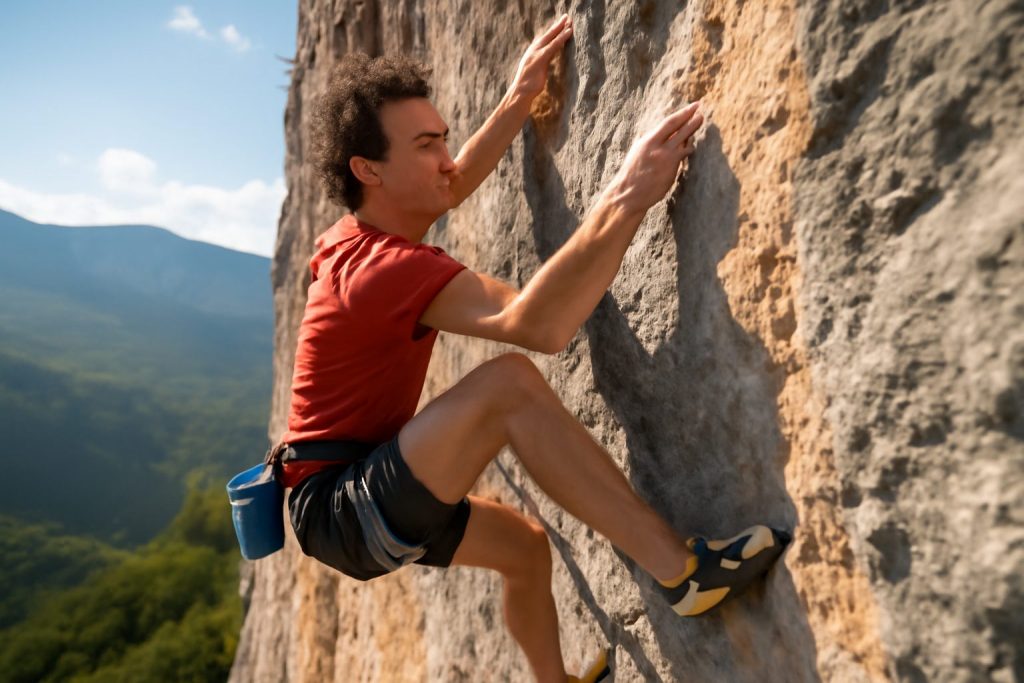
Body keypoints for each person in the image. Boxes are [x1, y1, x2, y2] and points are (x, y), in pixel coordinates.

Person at [271, 14, 790, 683]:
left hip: (351, 489)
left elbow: (451, 184)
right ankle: (683, 574)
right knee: (508, 385)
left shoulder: (358, 234)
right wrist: (629, 193)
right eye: (426, 144)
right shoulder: (380, 270)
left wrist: (520, 97)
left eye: (443, 138)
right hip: (343, 505)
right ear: (369, 168)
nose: (445, 158)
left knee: (523, 548)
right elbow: (538, 324)